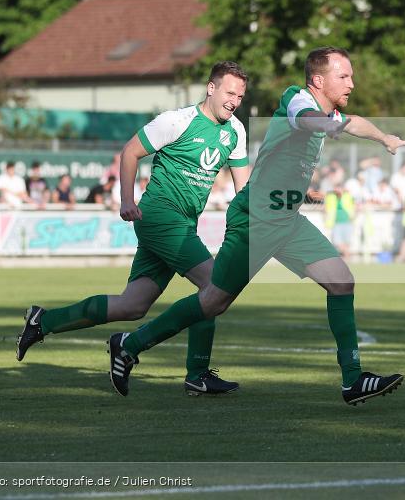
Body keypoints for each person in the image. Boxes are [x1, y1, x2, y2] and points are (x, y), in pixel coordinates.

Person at [106, 47, 405, 406]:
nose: (351, 83)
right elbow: (307, 118)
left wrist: (384, 138)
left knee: (342, 281)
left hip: (284, 216)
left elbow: (351, 121)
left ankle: (353, 380)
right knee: (214, 301)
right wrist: (330, 124)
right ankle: (130, 345)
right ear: (318, 80)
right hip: (258, 217)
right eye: (343, 76)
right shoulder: (297, 100)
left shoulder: (331, 113)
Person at [16, 61, 251, 396]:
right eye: (230, 92)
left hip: (183, 223)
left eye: (240, 96)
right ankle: (179, 365)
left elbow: (244, 190)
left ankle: (44, 322)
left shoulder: (236, 132)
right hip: (159, 216)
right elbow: (130, 152)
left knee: (132, 305)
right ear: (211, 88)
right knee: (215, 287)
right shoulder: (177, 121)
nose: (234, 101)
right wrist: (127, 199)